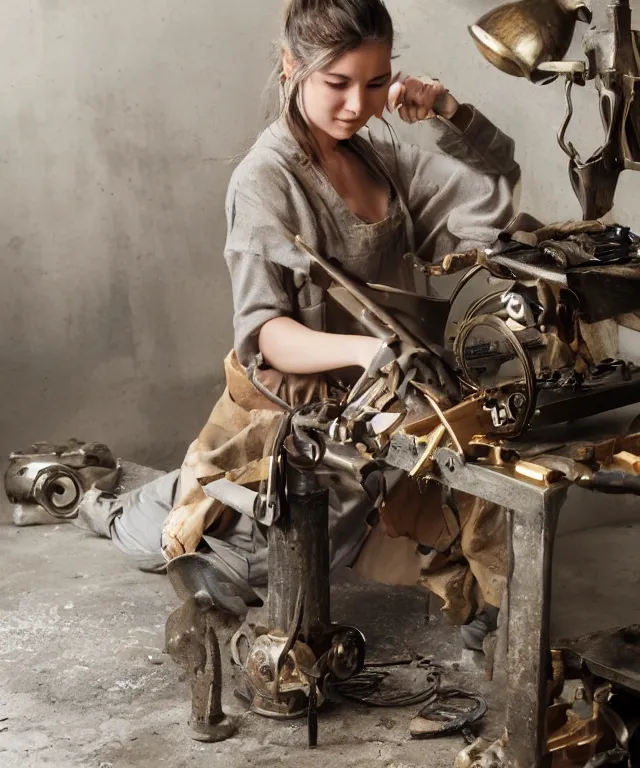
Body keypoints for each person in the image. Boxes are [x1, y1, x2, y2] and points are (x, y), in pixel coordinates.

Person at [77, 0, 519, 649]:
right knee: (203, 544)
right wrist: (372, 349)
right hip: (288, 413)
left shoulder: (381, 162)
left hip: (385, 397)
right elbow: (264, 334)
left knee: (476, 461)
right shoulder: (265, 180)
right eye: (336, 83)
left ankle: (490, 609)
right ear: (291, 66)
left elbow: (496, 190)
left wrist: (451, 112)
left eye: (375, 83)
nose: (356, 105)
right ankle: (102, 500)